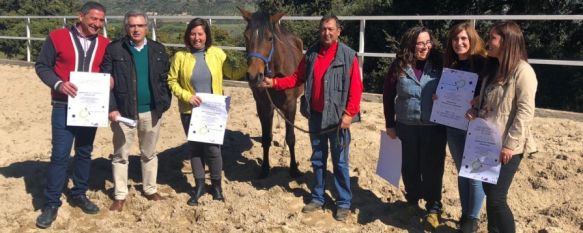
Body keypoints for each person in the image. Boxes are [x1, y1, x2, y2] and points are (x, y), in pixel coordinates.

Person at [260, 15, 363, 222]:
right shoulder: (311, 55)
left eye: (331, 29)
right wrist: (275, 84)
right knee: (318, 159)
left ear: (338, 31)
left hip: (337, 118)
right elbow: (297, 78)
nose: (327, 33)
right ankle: (318, 196)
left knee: (340, 161)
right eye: (323, 29)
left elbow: (356, 88)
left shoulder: (348, 56)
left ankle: (343, 202)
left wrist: (349, 113)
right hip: (315, 116)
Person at [34, 1, 109, 229]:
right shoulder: (57, 37)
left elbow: (107, 71)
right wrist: (58, 84)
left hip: (91, 108)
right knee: (60, 154)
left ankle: (79, 193)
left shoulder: (105, 44)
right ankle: (51, 202)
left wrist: (110, 80)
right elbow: (42, 66)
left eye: (101, 20)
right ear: (81, 16)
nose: (96, 23)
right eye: (93, 18)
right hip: (62, 105)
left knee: (85, 152)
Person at [467, 21, 537, 233]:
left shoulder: (523, 72)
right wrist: (475, 109)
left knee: (497, 198)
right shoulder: (493, 68)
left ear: (507, 42)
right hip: (487, 142)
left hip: (508, 146)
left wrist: (509, 145)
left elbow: (525, 112)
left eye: (493, 38)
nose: (488, 43)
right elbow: (491, 102)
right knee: (490, 192)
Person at [100, 10, 171, 211]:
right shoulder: (114, 50)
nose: (136, 29)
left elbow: (164, 79)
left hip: (152, 112)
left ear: (147, 27)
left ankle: (150, 189)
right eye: (132, 25)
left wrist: (163, 104)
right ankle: (120, 194)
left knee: (149, 153)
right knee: (121, 155)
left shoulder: (158, 49)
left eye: (140, 25)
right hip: (123, 114)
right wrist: (112, 108)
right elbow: (105, 81)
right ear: (126, 27)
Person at [382, 26, 445, 229]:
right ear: (411, 44)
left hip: (433, 127)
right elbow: (387, 96)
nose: (425, 47)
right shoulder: (398, 66)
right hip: (405, 125)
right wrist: (390, 124)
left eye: (428, 42)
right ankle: (412, 200)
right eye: (420, 43)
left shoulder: (439, 64)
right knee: (409, 166)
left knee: (432, 168)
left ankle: (434, 208)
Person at [167, 18, 227, 206]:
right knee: (195, 149)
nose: (196, 38)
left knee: (212, 149)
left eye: (200, 34)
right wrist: (186, 96)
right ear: (188, 35)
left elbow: (233, 72)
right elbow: (172, 81)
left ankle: (216, 185)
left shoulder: (218, 54)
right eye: (193, 34)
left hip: (213, 110)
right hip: (190, 110)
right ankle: (199, 185)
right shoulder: (180, 57)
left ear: (206, 35)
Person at [443, 21, 487, 233]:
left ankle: (473, 217)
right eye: (455, 39)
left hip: (476, 126)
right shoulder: (450, 65)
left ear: (472, 40)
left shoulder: (484, 64)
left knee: (475, 173)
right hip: (454, 125)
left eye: (463, 39)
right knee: (462, 171)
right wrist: (439, 98)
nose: (459, 43)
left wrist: (478, 106)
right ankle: (465, 212)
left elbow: (492, 95)